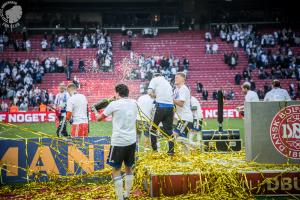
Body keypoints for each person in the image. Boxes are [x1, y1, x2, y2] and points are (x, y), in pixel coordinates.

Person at [96, 84, 137, 200]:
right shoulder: (134, 102)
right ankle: (127, 195)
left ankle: (120, 198)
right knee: (129, 168)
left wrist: (94, 110)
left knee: (116, 169)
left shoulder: (114, 104)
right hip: (132, 140)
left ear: (117, 93)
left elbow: (98, 118)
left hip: (119, 141)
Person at [148, 73, 174, 155]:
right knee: (169, 130)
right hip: (170, 107)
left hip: (160, 107)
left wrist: (155, 96)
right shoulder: (167, 82)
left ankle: (155, 150)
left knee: (153, 129)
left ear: (154, 76)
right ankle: (171, 151)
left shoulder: (154, 79)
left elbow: (149, 92)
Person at [173, 72, 193, 142]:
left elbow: (181, 103)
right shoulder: (176, 90)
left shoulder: (183, 89)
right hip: (181, 117)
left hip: (185, 117)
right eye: (175, 77)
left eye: (177, 77)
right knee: (182, 139)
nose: (175, 79)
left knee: (175, 135)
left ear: (183, 79)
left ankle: (194, 146)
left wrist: (171, 100)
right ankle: (191, 150)